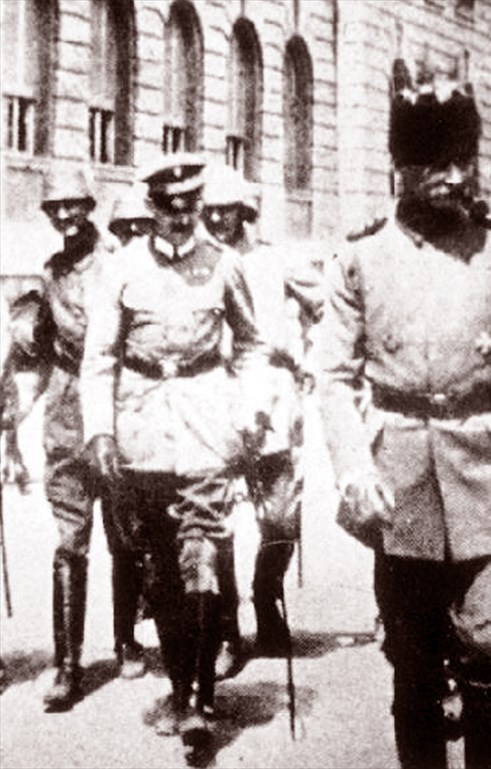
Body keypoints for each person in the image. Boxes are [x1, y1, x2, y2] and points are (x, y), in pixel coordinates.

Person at [319, 70, 491, 769]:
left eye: (463, 161)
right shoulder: (361, 258)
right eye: (434, 163)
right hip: (398, 487)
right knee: (414, 666)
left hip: (487, 476)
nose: (453, 178)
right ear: (401, 167)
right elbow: (331, 377)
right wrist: (352, 467)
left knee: (490, 655)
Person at [79, 153, 269, 760]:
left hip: (207, 425)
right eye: (170, 208)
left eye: (191, 207)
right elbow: (100, 359)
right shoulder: (120, 270)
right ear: (152, 209)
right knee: (160, 567)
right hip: (140, 433)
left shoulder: (224, 263)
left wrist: (250, 407)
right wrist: (100, 433)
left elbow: (252, 344)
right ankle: (182, 684)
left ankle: (198, 700)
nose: (182, 219)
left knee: (201, 555)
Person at [7, 168, 148, 711]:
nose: (63, 216)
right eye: (53, 209)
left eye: (72, 206)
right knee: (70, 540)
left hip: (114, 410)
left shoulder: (121, 263)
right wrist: (11, 420)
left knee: (125, 534)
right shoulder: (51, 271)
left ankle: (127, 641)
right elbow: (34, 353)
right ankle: (68, 666)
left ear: (89, 206)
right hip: (66, 414)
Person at [200, 164, 323, 678]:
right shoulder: (199, 264)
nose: (217, 219)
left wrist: (310, 357)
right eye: (209, 210)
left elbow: (329, 307)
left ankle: (266, 594)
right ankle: (227, 629)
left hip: (272, 399)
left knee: (280, 518)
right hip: (216, 398)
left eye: (226, 209)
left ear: (244, 211)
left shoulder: (277, 261)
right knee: (217, 521)